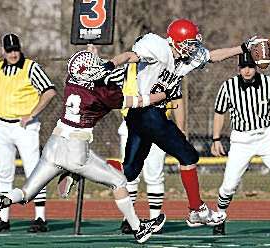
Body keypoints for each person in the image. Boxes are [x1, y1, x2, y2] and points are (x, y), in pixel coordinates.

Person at [0, 49, 175, 243]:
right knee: (119, 182)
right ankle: (139, 228)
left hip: (54, 145)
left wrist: (114, 56)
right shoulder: (102, 93)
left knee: (26, 193)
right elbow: (138, 101)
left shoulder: (71, 79)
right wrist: (164, 94)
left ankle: (3, 200)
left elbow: (106, 64)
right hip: (76, 150)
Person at [99, 18, 261, 227]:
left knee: (129, 172)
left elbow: (212, 56)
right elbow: (131, 56)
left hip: (140, 116)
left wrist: (241, 48)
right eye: (189, 43)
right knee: (188, 156)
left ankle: (87, 166)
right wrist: (111, 63)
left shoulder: (187, 56)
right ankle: (196, 209)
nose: (192, 48)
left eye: (194, 43)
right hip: (147, 112)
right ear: (175, 41)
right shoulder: (157, 47)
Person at [211, 52, 270, 235]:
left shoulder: (268, 83)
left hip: (265, 136)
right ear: (238, 68)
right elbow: (219, 112)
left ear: (256, 67)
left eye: (250, 67)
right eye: (243, 67)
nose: (247, 71)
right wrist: (216, 139)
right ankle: (220, 217)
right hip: (241, 139)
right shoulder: (228, 86)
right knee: (230, 184)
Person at [0, 33, 56, 232]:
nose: (12, 54)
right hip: (2, 125)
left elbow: (50, 90)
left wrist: (32, 113)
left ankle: (40, 218)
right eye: (9, 50)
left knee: (33, 172)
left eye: (15, 49)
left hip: (24, 127)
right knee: (3, 173)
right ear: (3, 51)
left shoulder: (31, 67)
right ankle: (3, 218)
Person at [118, 63, 185, 234]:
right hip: (131, 123)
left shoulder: (166, 69)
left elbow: (177, 98)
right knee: (129, 174)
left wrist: (181, 129)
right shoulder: (127, 68)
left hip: (157, 124)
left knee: (154, 174)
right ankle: (130, 219)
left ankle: (155, 219)